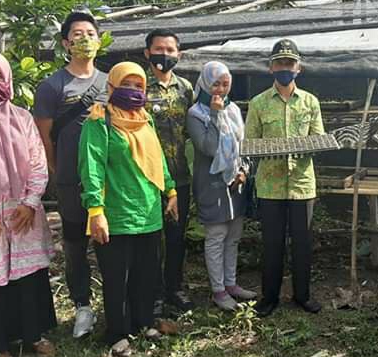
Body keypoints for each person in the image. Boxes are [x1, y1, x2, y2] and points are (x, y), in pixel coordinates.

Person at [79, 62, 178, 356]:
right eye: (127, 85)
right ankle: (117, 333)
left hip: (148, 213)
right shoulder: (99, 122)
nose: (133, 91)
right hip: (116, 214)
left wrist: (171, 190)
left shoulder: (144, 120)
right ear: (111, 86)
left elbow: (158, 160)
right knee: (116, 278)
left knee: (145, 274)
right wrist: (96, 211)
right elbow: (91, 168)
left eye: (138, 86)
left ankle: (143, 321)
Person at [0, 51, 57, 357]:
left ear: (7, 79)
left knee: (28, 276)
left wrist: (31, 202)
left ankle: (33, 334)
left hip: (23, 214)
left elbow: (38, 163)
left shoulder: (22, 117)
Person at [34, 11, 107, 338]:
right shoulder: (52, 86)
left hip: (109, 181)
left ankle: (116, 303)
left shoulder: (110, 81)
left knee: (111, 241)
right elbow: (44, 137)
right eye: (77, 34)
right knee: (76, 245)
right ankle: (82, 306)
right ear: (65, 42)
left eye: (91, 33)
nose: (85, 39)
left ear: (99, 39)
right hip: (70, 181)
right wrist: (57, 172)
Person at [244, 39, 325, 317]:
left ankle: (302, 295)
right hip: (270, 185)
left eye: (289, 63)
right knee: (272, 245)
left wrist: (305, 146)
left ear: (298, 68)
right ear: (271, 68)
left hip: (302, 184)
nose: (284, 68)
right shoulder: (258, 104)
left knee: (302, 245)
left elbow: (318, 139)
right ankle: (270, 297)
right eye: (279, 63)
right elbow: (250, 144)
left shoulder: (311, 102)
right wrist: (269, 150)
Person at [187, 61, 257, 311]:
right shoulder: (196, 114)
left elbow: (243, 144)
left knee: (234, 237)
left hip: (235, 182)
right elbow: (208, 147)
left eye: (225, 83)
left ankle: (231, 284)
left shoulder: (235, 110)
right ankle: (218, 290)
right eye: (215, 83)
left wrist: (244, 170)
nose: (220, 89)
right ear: (205, 82)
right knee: (216, 237)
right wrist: (215, 115)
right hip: (212, 183)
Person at [143, 29, 196, 315]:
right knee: (152, 239)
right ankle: (153, 295)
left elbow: (192, 130)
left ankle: (174, 287)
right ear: (147, 53)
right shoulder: (138, 86)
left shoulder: (186, 88)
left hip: (179, 175)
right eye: (158, 49)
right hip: (146, 179)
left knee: (176, 236)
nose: (165, 54)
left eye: (170, 49)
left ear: (179, 54)